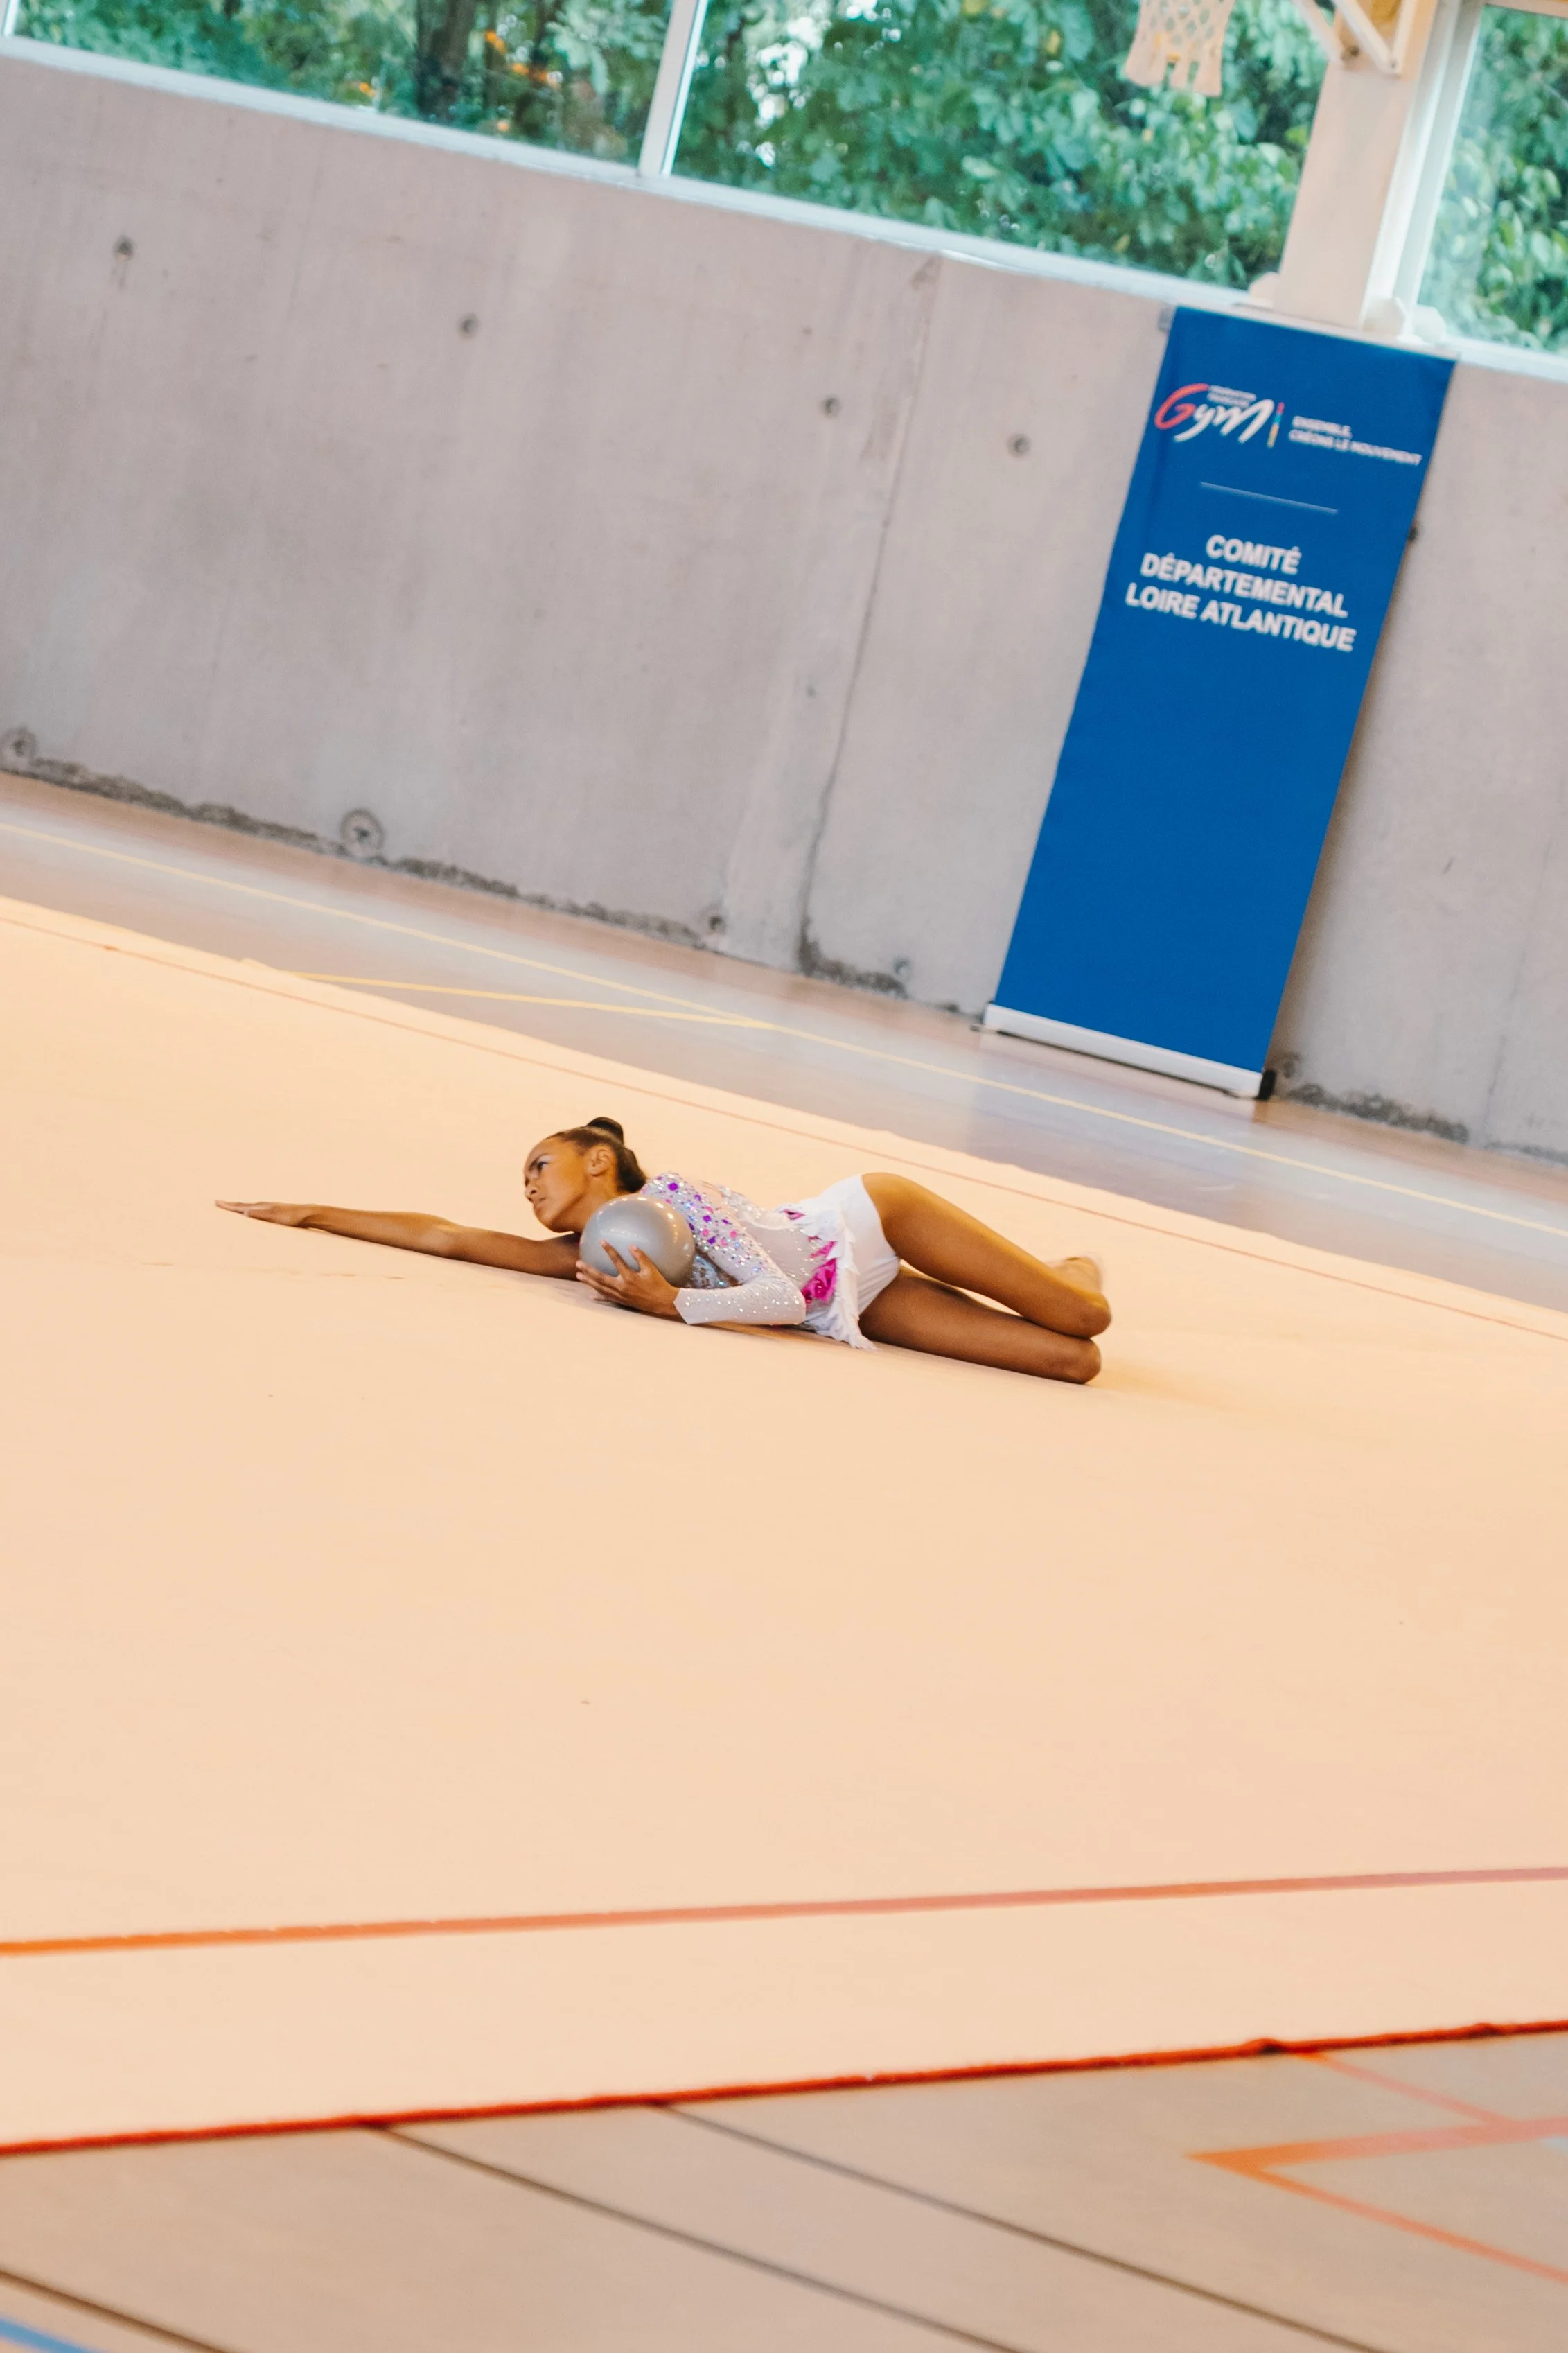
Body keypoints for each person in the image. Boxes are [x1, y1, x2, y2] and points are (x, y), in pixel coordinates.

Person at [218, 1116, 1109, 1383]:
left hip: (863, 1227)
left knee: (1085, 1313)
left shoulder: (672, 1197)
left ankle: (1069, 1266)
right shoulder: (595, 1253)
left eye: (540, 1165)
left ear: (597, 1159)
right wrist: (315, 1213)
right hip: (854, 1302)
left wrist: (674, 1304)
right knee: (1070, 1363)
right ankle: (1044, 1282)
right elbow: (452, 1238)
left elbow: (778, 1297)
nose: (526, 1186)